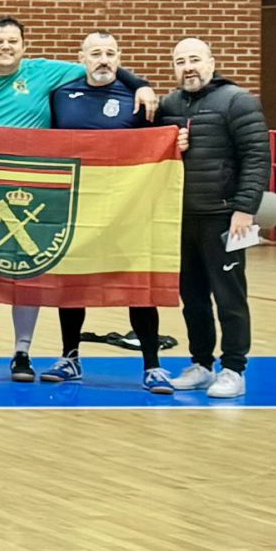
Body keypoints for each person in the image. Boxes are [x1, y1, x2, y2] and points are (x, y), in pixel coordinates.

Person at [0, 17, 155, 380]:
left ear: (24, 46)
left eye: (12, 41)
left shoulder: (45, 73)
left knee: (28, 270)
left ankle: (23, 353)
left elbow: (101, 65)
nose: (6, 47)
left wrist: (140, 84)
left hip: (36, 190)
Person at [42, 32, 167, 388]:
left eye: (110, 53)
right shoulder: (61, 94)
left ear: (119, 58)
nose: (103, 59)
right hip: (77, 204)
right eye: (95, 53)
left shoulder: (137, 98)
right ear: (81, 57)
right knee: (72, 283)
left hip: (126, 208)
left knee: (137, 284)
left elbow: (162, 140)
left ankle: (152, 365)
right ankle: (70, 357)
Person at [159, 37, 268, 399]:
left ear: (211, 62)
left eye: (194, 59)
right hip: (183, 219)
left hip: (226, 218)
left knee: (230, 297)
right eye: (180, 62)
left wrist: (244, 209)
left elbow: (256, 157)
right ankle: (201, 365)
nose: (188, 67)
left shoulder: (238, 101)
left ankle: (234, 369)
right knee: (193, 298)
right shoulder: (169, 105)